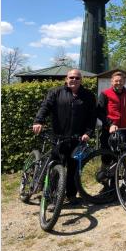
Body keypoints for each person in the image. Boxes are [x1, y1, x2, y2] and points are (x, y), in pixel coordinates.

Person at [32, 69, 97, 205]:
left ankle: (71, 195)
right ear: (66, 79)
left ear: (81, 80)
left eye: (77, 78)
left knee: (73, 168)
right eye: (71, 77)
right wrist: (39, 121)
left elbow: (92, 117)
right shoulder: (56, 92)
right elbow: (45, 107)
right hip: (58, 138)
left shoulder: (88, 96)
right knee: (55, 167)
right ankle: (51, 195)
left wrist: (88, 133)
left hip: (77, 139)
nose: (74, 80)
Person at [97, 71, 126, 174]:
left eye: (121, 81)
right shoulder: (105, 94)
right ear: (111, 81)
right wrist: (110, 124)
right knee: (106, 156)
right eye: (116, 81)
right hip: (109, 130)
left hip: (124, 130)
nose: (118, 83)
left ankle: (116, 181)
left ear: (124, 82)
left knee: (120, 156)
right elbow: (99, 112)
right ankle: (104, 176)